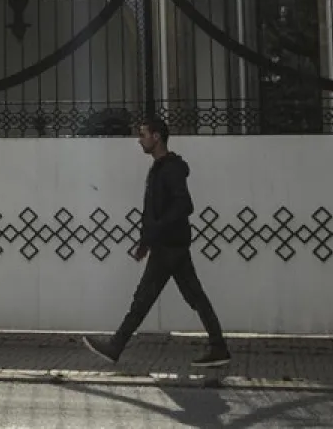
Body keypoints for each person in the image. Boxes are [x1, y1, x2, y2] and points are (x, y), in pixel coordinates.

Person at [82, 115, 230, 368]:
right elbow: (154, 209)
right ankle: (218, 347)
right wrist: (145, 241)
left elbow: (184, 204)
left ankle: (116, 346)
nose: (139, 141)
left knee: (143, 299)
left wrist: (156, 232)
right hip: (170, 244)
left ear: (156, 136)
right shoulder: (161, 168)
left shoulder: (170, 169)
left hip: (169, 246)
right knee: (194, 296)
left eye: (143, 134)